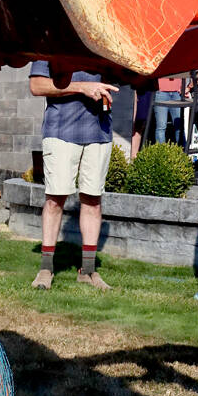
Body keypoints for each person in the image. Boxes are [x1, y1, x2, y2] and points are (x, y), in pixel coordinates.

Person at [29, 60, 119, 291]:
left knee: (93, 201)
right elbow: (37, 86)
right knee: (54, 200)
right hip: (60, 131)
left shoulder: (103, 44)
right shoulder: (51, 43)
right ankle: (46, 268)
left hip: (99, 131)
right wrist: (82, 87)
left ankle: (88, 271)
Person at [154, 76, 185, 145]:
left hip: (177, 92)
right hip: (161, 91)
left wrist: (186, 86)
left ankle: (182, 153)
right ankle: (161, 153)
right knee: (161, 126)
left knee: (179, 126)